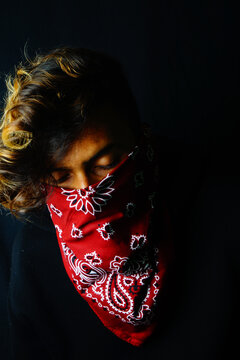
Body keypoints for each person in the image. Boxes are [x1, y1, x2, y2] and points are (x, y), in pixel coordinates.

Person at [0, 46, 238, 359]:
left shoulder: (224, 210)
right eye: (62, 177)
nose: (88, 193)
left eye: (106, 163)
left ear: (140, 137)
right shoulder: (34, 252)